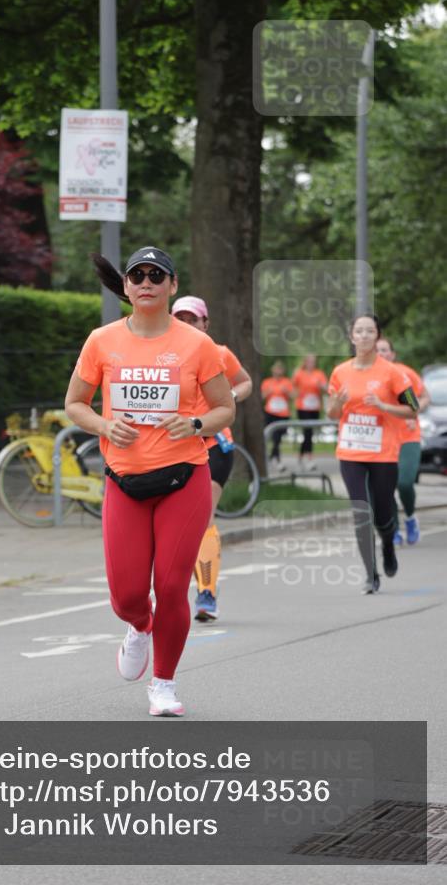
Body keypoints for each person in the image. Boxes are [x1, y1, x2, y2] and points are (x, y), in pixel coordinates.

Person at [65, 247, 234, 716]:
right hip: (125, 481)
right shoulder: (102, 340)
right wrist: (103, 425)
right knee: (127, 595)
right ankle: (139, 625)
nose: (146, 282)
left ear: (172, 286)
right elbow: (75, 403)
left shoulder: (198, 345)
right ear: (126, 286)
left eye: (156, 275)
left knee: (173, 585)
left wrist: (196, 425)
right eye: (137, 275)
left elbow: (225, 409)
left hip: (185, 478)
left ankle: (163, 684)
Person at [171, 295, 252, 622]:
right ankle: (189, 585)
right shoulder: (161, 357)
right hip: (173, 449)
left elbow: (245, 382)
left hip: (213, 446)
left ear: (205, 324)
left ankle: (206, 594)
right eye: (180, 319)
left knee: (203, 518)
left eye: (193, 319)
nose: (187, 325)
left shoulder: (219, 353)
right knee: (180, 527)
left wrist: (228, 396)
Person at [326, 316, 418, 594]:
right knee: (360, 511)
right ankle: (370, 573)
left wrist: (383, 406)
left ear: (377, 336)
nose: (364, 335)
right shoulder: (340, 372)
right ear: (351, 336)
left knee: (382, 512)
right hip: (351, 451)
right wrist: (337, 404)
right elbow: (332, 414)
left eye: (370, 331)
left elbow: (413, 408)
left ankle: (388, 544)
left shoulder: (392, 373)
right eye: (359, 331)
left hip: (383, 453)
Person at [376, 338, 429, 545]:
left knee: (405, 483)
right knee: (385, 486)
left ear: (392, 354)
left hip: (407, 437)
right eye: (377, 350)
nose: (380, 354)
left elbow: (423, 397)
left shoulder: (403, 374)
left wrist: (413, 412)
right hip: (381, 438)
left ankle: (410, 517)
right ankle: (394, 530)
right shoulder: (369, 377)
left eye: (384, 350)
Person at [292, 354, 328, 470]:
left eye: (313, 361)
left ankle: (300, 457)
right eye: (309, 361)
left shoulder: (319, 374)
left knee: (309, 433)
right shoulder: (299, 373)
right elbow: (293, 388)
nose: (311, 363)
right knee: (307, 431)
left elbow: (327, 389)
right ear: (305, 362)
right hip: (302, 407)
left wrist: (321, 386)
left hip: (315, 407)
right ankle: (309, 458)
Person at [261, 361, 294, 470]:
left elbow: (293, 396)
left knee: (278, 438)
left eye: (280, 369)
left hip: (283, 414)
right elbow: (261, 397)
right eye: (276, 369)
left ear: (283, 371)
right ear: (273, 370)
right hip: (270, 413)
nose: (278, 371)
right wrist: (268, 392)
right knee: (274, 437)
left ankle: (272, 457)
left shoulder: (287, 382)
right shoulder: (267, 382)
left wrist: (286, 392)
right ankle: (277, 460)